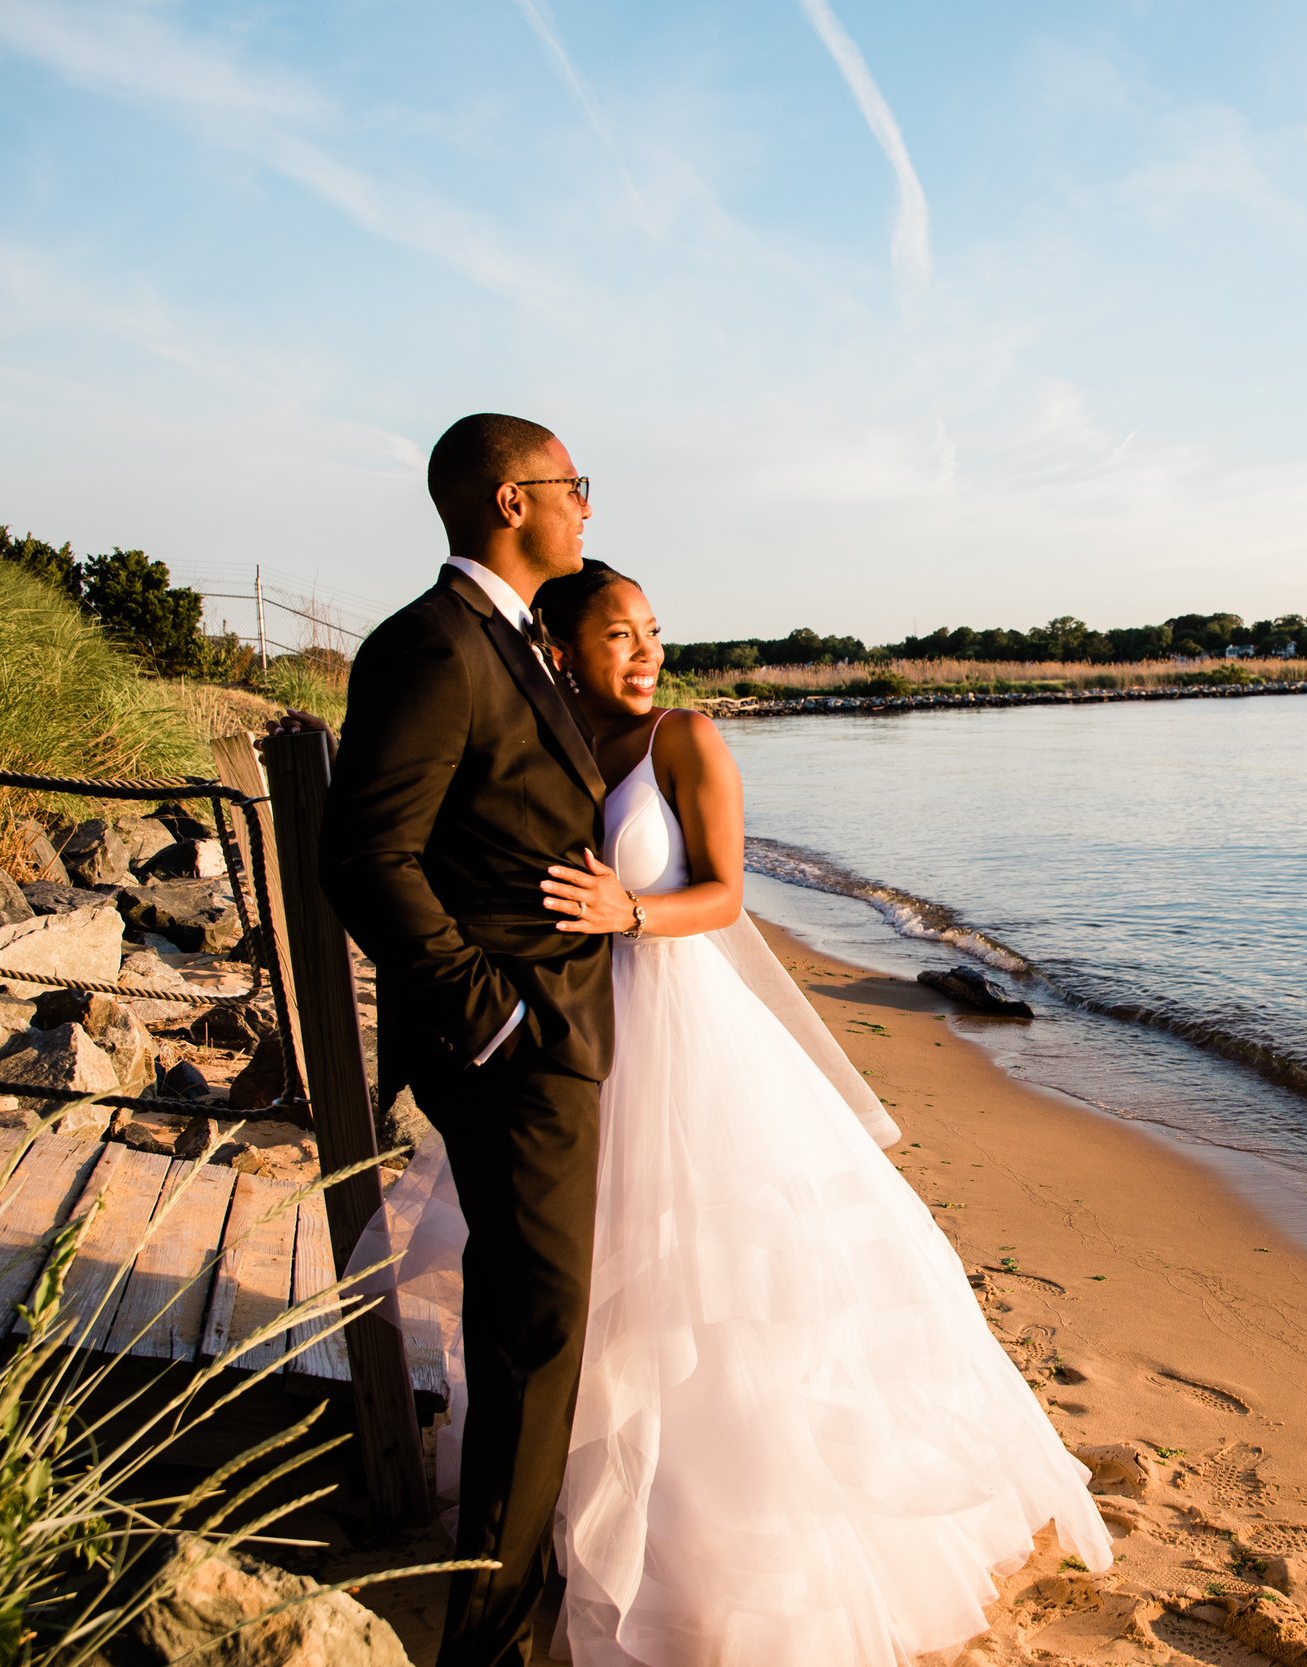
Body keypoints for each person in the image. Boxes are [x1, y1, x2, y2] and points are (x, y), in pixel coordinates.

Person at [363, 559, 1112, 1665]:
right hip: (567, 1039)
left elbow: (723, 892)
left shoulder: (685, 738)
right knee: (575, 1282)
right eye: (619, 635)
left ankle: (716, 1558)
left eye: (652, 631)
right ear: (558, 649)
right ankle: (563, 1522)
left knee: (714, 1291)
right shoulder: (541, 740)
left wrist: (629, 907)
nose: (646, 651)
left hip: (680, 1028)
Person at [319, 412, 611, 1667]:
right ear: (509, 500)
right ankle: (494, 1644)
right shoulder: (432, 646)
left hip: (551, 1033)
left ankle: (511, 1609)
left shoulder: (514, 642)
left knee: (530, 1323)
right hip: (514, 1040)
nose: (587, 507)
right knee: (533, 1332)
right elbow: (364, 855)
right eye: (572, 486)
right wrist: (484, 1008)